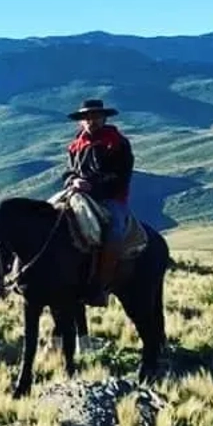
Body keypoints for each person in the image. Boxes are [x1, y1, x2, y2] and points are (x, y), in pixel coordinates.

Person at [62, 98, 134, 306]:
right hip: (76, 194)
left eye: (95, 116)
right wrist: (73, 180)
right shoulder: (75, 145)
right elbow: (68, 171)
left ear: (104, 118)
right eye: (87, 117)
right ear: (81, 121)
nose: (91, 121)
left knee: (114, 230)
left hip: (110, 197)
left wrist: (92, 185)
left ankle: (101, 286)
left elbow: (120, 175)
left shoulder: (117, 142)